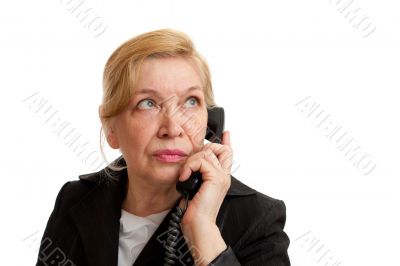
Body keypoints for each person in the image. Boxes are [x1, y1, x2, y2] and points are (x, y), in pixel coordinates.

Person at [36, 29, 290, 266]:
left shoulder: (257, 218)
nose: (173, 127)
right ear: (111, 129)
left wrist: (202, 230)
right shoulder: (76, 199)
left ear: (210, 121)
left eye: (190, 102)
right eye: (148, 103)